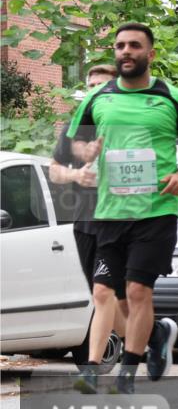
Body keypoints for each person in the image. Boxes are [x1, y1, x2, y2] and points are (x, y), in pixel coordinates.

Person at [70, 23, 178, 394]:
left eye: (134, 45)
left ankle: (126, 372)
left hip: (156, 209)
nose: (126, 51)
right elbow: (76, 147)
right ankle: (153, 334)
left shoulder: (173, 97)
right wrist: (82, 165)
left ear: (150, 53)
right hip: (108, 212)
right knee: (107, 293)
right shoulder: (97, 99)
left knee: (137, 291)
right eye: (119, 46)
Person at [50, 65, 129, 345]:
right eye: (91, 84)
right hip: (83, 222)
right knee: (109, 295)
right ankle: (150, 338)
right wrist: (76, 175)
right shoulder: (75, 129)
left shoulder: (126, 125)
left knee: (102, 293)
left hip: (119, 221)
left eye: (102, 85)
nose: (95, 90)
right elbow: (54, 171)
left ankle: (95, 368)